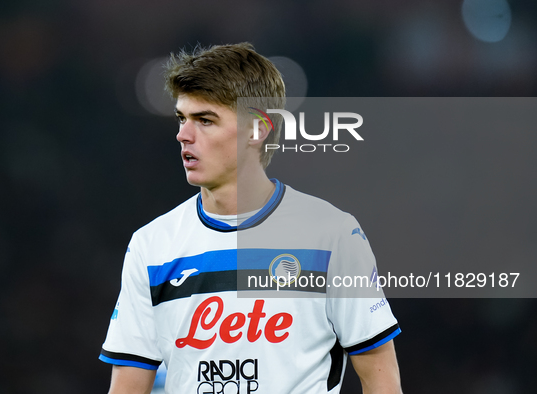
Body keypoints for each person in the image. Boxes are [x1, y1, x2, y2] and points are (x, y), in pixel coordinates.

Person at [99, 42, 402, 394]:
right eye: (183, 118)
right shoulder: (151, 245)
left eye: (205, 120)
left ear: (258, 129)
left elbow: (381, 378)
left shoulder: (332, 235)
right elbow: (127, 387)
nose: (183, 134)